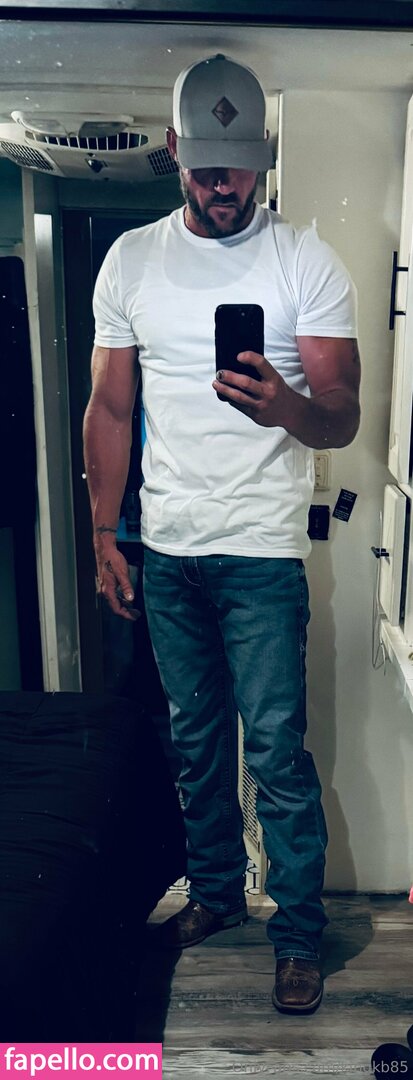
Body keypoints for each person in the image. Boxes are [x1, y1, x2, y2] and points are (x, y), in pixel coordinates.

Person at [83, 52, 360, 1015]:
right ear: (173, 150)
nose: (224, 185)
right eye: (205, 168)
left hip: (261, 554)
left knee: (274, 749)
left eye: (239, 168)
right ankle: (214, 894)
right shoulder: (132, 261)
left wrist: (288, 407)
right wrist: (106, 531)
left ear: (261, 158)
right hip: (168, 549)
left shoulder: (303, 261)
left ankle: (297, 934)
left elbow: (341, 413)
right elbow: (110, 408)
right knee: (195, 741)